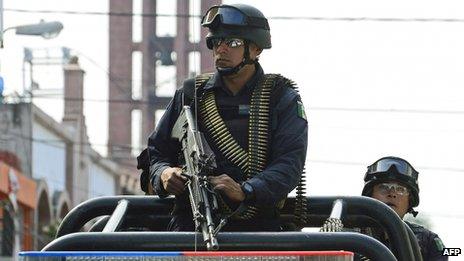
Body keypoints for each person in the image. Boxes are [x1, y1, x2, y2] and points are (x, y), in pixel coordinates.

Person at [145, 3, 308, 232]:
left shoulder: (280, 97)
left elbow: (289, 165)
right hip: (190, 227)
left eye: (232, 43)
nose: (221, 50)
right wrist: (164, 173)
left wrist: (246, 190)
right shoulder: (191, 94)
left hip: (258, 230)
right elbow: (156, 152)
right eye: (215, 42)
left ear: (256, 49)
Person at [362, 156, 447, 261]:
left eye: (400, 189)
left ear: (409, 201)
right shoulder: (347, 234)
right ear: (370, 195)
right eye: (383, 187)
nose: (392, 194)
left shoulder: (428, 241)